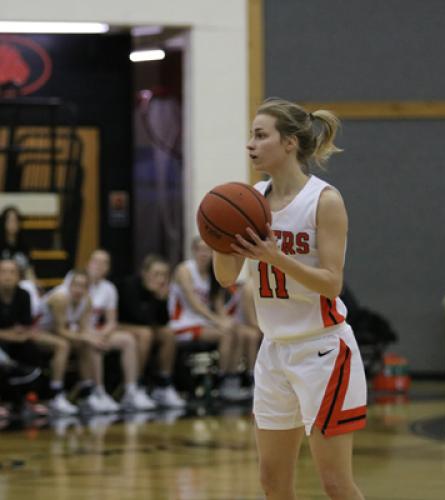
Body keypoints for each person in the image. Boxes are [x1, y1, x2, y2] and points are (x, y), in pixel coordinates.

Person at [213, 98, 367, 499]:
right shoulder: (249, 200)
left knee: (335, 483)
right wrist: (218, 233)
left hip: (323, 350)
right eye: (250, 135)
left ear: (290, 143)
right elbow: (227, 276)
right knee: (272, 481)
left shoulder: (324, 201)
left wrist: (274, 256)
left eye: (261, 135)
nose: (251, 144)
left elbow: (332, 283)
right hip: (274, 350)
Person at [64, 251, 151, 412]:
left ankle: (131, 390)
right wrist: (92, 335)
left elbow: (112, 322)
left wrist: (102, 333)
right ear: (88, 263)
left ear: (108, 268)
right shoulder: (76, 279)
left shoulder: (108, 288)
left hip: (95, 331)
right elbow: (69, 316)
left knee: (128, 340)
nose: (99, 265)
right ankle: (97, 392)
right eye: (96, 261)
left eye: (104, 263)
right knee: (95, 343)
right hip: (73, 331)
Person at [169, 237, 250, 401]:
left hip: (203, 322)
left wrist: (227, 321)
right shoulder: (184, 270)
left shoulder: (214, 273)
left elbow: (218, 304)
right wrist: (219, 322)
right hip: (182, 323)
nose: (203, 253)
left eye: (207, 250)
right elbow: (194, 305)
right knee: (226, 334)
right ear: (193, 251)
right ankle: (221, 382)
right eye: (200, 249)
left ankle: (232, 379)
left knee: (237, 331)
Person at [0, 259, 75, 415]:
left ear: (18, 276)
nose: (7, 276)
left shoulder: (24, 295)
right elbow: (16, 331)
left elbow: (24, 328)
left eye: (12, 272)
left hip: (17, 340)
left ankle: (30, 399)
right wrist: (12, 334)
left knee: (30, 349)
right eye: (3, 272)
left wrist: (16, 334)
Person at [118, 254, 185, 408]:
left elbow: (163, 321)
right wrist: (155, 297)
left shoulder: (159, 291)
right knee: (145, 334)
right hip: (120, 325)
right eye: (156, 274)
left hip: (144, 327)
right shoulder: (130, 285)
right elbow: (138, 317)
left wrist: (161, 300)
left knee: (168, 334)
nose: (160, 278)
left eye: (164, 275)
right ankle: (136, 386)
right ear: (145, 273)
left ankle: (163, 384)